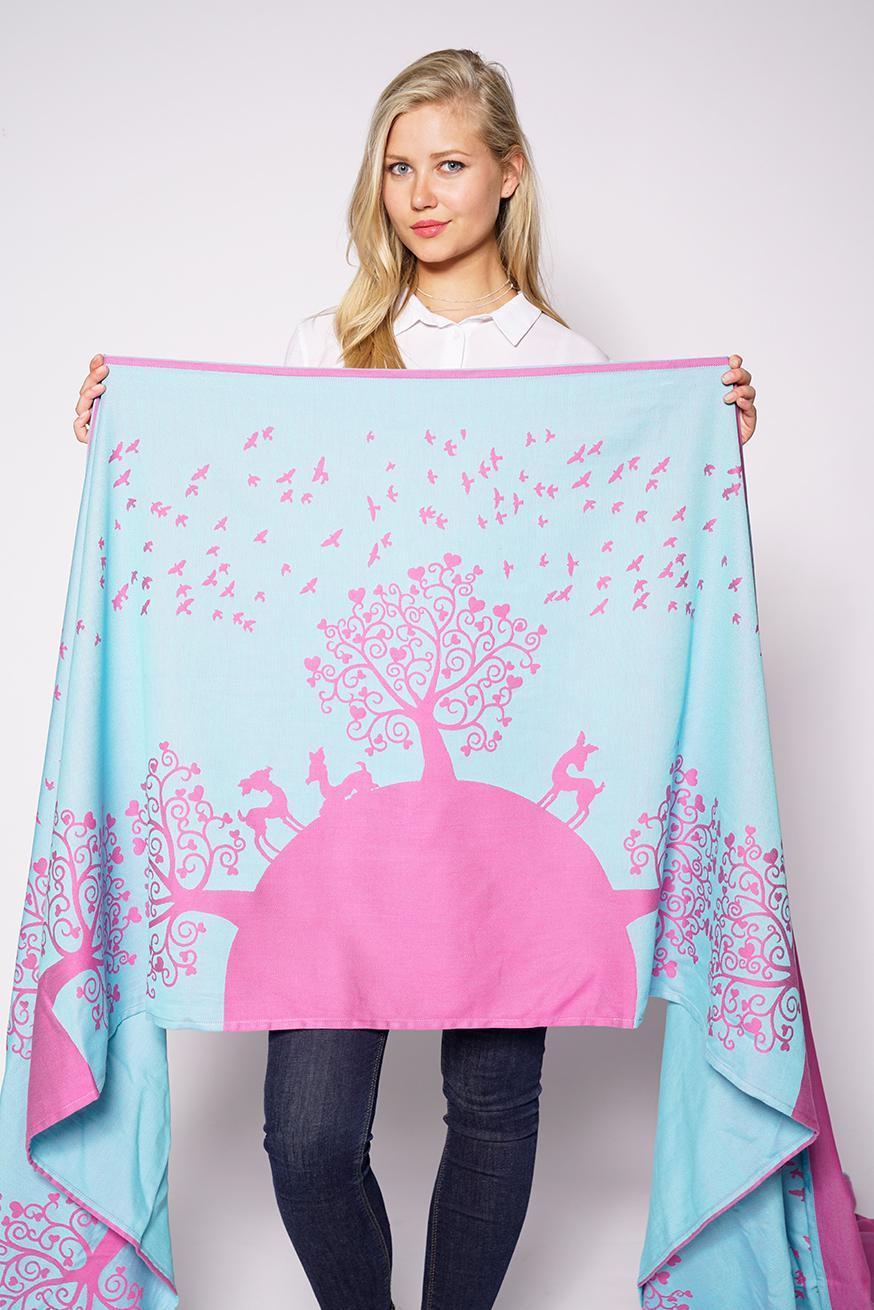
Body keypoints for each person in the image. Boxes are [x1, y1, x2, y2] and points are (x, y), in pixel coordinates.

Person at [70, 47, 758, 1310]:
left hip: (505, 817)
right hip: (351, 818)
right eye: (398, 167)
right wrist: (139, 427)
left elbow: (608, 581)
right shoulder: (324, 348)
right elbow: (257, 545)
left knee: (491, 1104)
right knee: (308, 1135)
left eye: (448, 163)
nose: (420, 193)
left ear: (509, 174)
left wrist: (702, 432)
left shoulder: (571, 366)